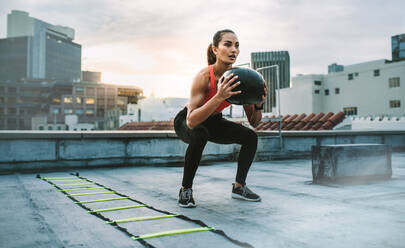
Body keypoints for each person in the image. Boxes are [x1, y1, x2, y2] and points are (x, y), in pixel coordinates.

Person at [174, 29, 267, 208]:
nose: (234, 50)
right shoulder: (204, 77)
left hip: (214, 120)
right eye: (228, 44)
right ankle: (185, 189)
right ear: (215, 49)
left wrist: (258, 104)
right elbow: (191, 121)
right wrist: (219, 96)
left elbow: (254, 122)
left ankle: (239, 187)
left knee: (250, 137)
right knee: (199, 133)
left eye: (237, 46)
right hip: (188, 120)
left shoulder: (240, 78)